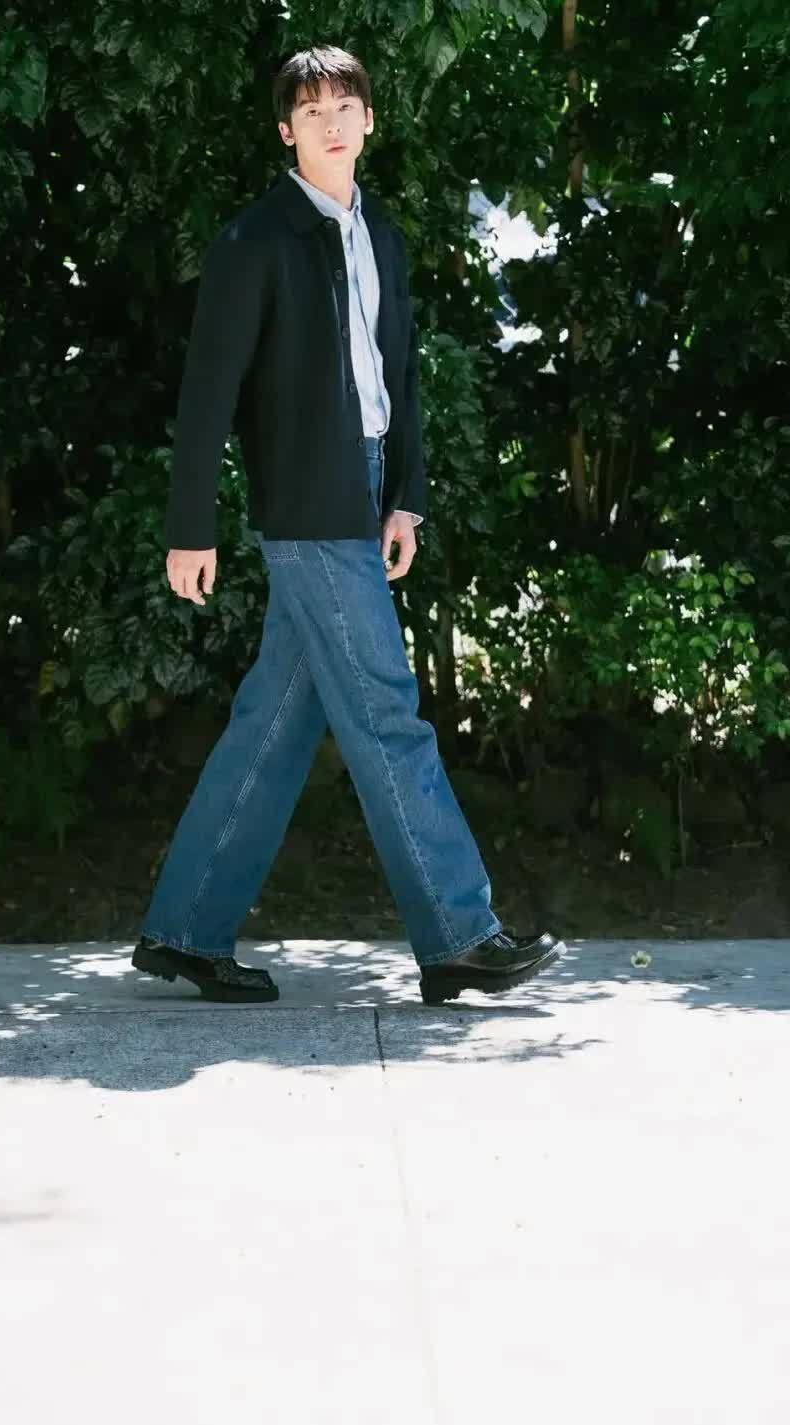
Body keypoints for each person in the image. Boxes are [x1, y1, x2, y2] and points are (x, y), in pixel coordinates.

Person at [132, 44, 563, 1006]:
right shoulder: (254, 241)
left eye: (345, 106)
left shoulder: (383, 238)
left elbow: (396, 374)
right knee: (386, 713)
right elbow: (208, 393)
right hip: (306, 505)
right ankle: (459, 935)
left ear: (369, 120)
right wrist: (190, 525)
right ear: (286, 131)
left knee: (276, 723)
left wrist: (404, 495)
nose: (331, 122)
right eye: (311, 110)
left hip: (364, 493)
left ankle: (185, 930)